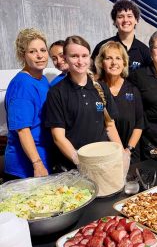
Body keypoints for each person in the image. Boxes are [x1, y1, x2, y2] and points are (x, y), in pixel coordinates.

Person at [45, 35, 122, 171]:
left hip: (104, 162)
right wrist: (81, 162)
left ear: (90, 58)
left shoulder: (101, 88)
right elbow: (58, 137)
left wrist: (120, 155)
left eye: (84, 56)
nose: (80, 61)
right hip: (74, 166)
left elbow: (110, 126)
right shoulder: (57, 93)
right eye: (74, 56)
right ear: (66, 58)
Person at [4, 28, 52, 179]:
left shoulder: (42, 79)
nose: (39, 55)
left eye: (43, 50)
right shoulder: (23, 85)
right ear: (22, 55)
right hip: (25, 167)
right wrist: (37, 164)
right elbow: (22, 130)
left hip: (43, 158)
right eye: (32, 51)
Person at [94, 41, 144, 162]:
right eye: (108, 58)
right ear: (101, 62)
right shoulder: (95, 89)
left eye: (118, 58)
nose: (114, 62)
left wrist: (128, 150)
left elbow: (139, 123)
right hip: (105, 155)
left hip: (130, 154)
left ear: (124, 63)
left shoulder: (132, 89)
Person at [91, 0, 151, 72]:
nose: (125, 20)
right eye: (120, 17)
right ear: (115, 22)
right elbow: (92, 73)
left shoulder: (145, 51)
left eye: (129, 16)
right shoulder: (102, 46)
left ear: (136, 20)